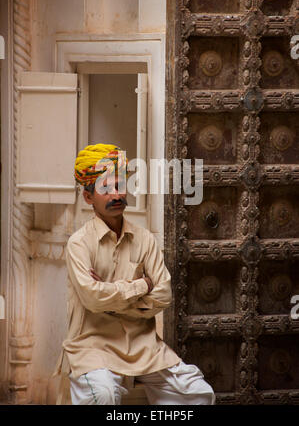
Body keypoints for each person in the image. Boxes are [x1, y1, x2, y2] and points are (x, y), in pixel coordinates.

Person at [53, 143, 215, 405]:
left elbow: (163, 295)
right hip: (93, 346)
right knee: (103, 395)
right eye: (106, 188)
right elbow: (93, 299)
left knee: (198, 393)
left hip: (143, 346)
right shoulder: (79, 244)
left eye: (119, 185)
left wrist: (111, 299)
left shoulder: (144, 239)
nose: (116, 194)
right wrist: (142, 285)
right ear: (88, 197)